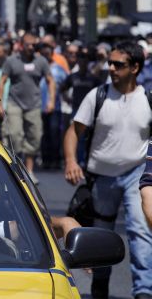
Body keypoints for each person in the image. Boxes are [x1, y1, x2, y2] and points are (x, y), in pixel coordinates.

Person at [64, 41, 152, 299]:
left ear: (135, 68)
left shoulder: (147, 100)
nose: (111, 68)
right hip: (101, 178)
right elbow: (74, 131)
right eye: (110, 63)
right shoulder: (97, 96)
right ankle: (100, 287)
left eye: (118, 64)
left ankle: (144, 291)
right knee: (101, 237)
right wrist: (70, 160)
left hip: (136, 175)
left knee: (140, 231)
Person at [0, 33, 55, 183]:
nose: (31, 47)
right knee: (14, 136)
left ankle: (29, 170)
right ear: (21, 45)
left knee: (34, 137)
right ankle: (14, 168)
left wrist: (51, 101)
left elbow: (50, 80)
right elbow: (2, 81)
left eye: (33, 45)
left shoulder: (41, 61)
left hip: (34, 105)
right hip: (14, 103)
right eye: (28, 44)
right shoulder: (11, 61)